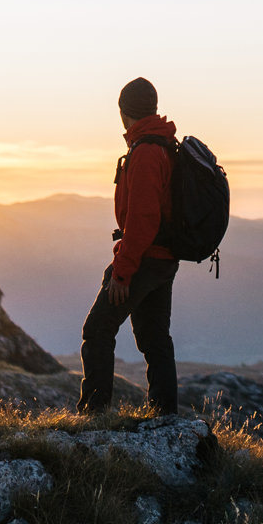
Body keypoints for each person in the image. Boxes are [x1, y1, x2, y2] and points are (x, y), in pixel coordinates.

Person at [78, 77, 179, 416]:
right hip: (162, 259)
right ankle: (165, 415)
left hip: (145, 260)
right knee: (154, 339)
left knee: (97, 330)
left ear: (124, 112)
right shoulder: (162, 144)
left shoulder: (148, 152)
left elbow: (142, 220)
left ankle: (94, 414)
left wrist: (122, 273)